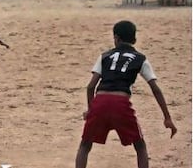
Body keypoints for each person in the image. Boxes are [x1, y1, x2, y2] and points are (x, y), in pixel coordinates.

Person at [75, 20, 177, 168]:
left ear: (116, 38)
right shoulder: (140, 58)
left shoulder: (105, 56)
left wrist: (91, 110)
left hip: (101, 100)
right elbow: (155, 88)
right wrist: (167, 117)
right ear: (134, 39)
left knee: (85, 145)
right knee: (140, 146)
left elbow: (91, 87)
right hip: (121, 103)